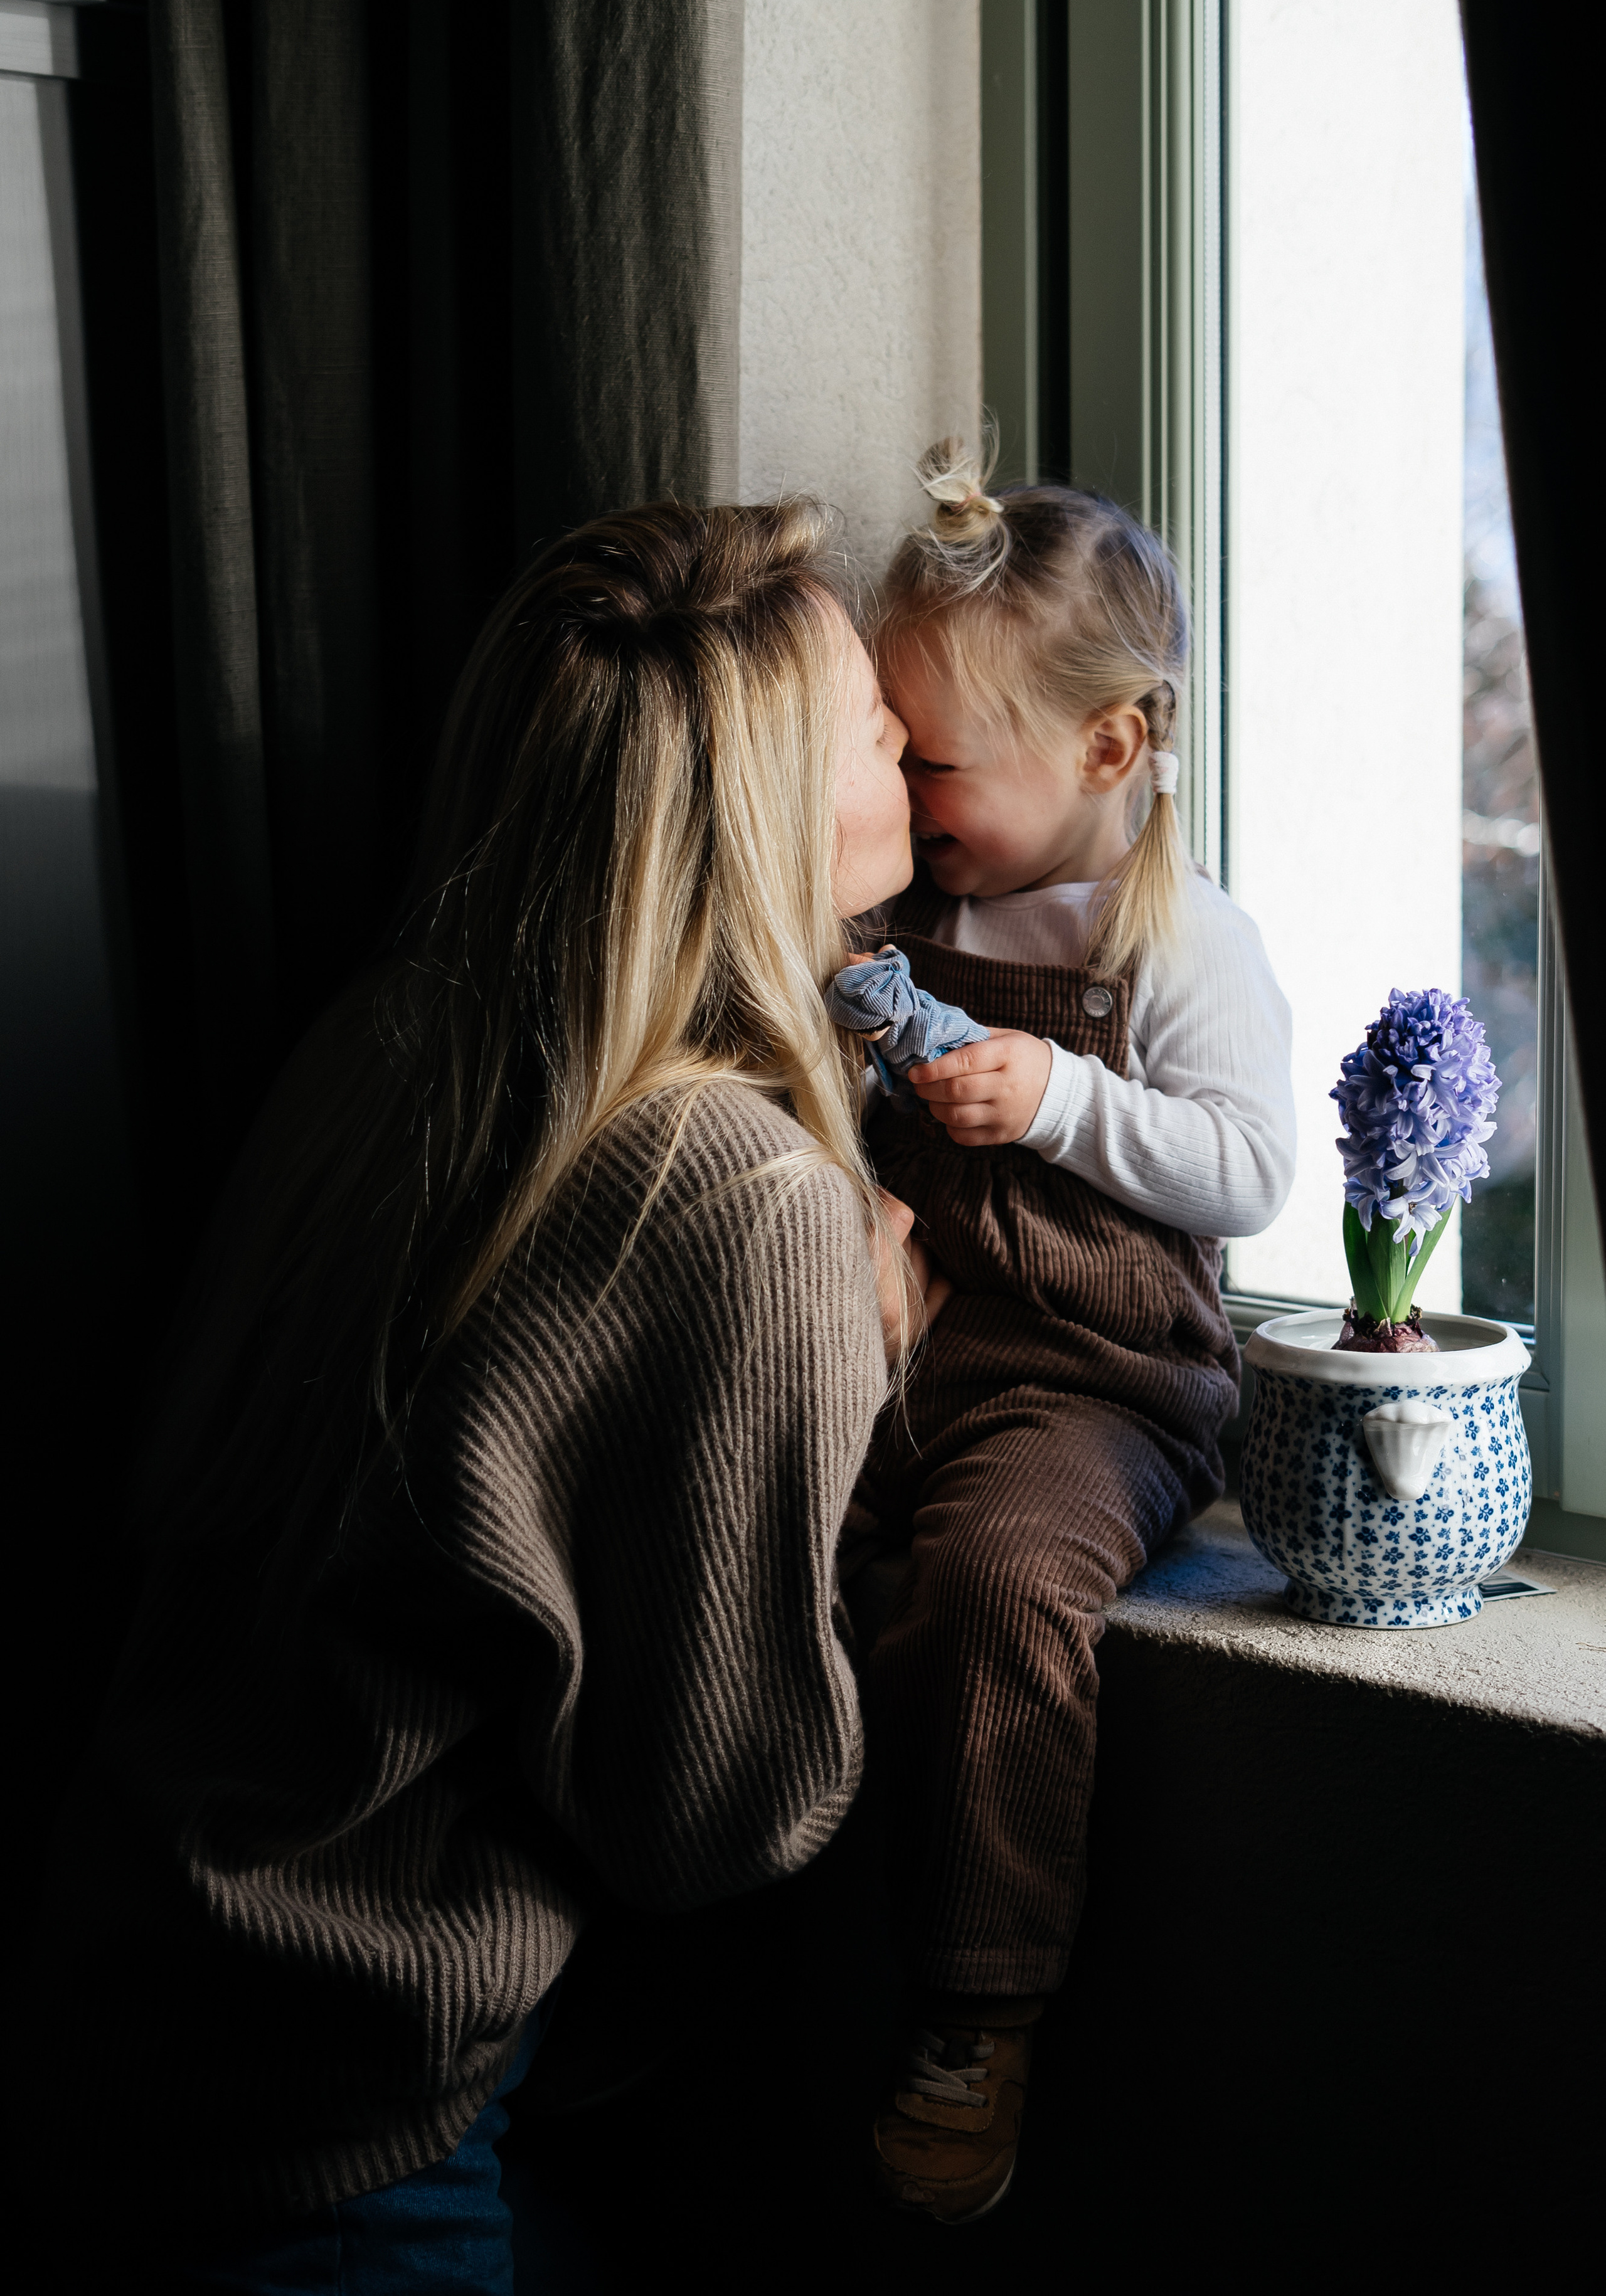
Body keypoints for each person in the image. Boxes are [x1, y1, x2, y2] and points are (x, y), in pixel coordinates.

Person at [43, 499, 928, 2289]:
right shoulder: (745, 1202)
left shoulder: (393, 1043)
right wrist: (865, 1363)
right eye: (865, 722)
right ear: (761, 800)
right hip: (343, 2132)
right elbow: (716, 1817)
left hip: (115, 2010)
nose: (908, 727)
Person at [849, 441, 1296, 2225]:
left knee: (999, 1584)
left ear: (1109, 748)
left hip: (1100, 1382)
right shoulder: (925, 914)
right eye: (887, 744)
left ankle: (982, 2007)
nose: (906, 783)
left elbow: (1251, 1171)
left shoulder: (1173, 943)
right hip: (922, 1346)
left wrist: (1054, 1102)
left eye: (934, 758)